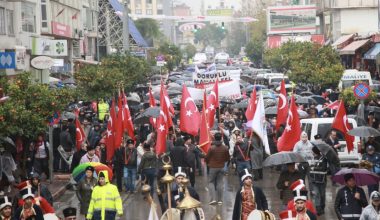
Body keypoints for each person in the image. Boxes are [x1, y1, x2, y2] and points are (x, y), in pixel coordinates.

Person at [205, 132, 230, 205]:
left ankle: (213, 199)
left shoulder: (212, 148)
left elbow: (207, 157)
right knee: (220, 183)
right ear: (221, 138)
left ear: (214, 138)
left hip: (212, 167)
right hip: (221, 166)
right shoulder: (225, 148)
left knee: (211, 182)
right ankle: (220, 200)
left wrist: (208, 162)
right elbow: (227, 158)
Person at [309, 145, 328, 216]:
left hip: (322, 180)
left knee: (322, 195)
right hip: (314, 180)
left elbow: (324, 168)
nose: (312, 152)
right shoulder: (312, 158)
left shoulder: (324, 159)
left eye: (312, 151)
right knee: (317, 194)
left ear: (315, 151)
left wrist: (315, 168)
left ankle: (322, 207)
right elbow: (310, 168)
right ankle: (318, 209)